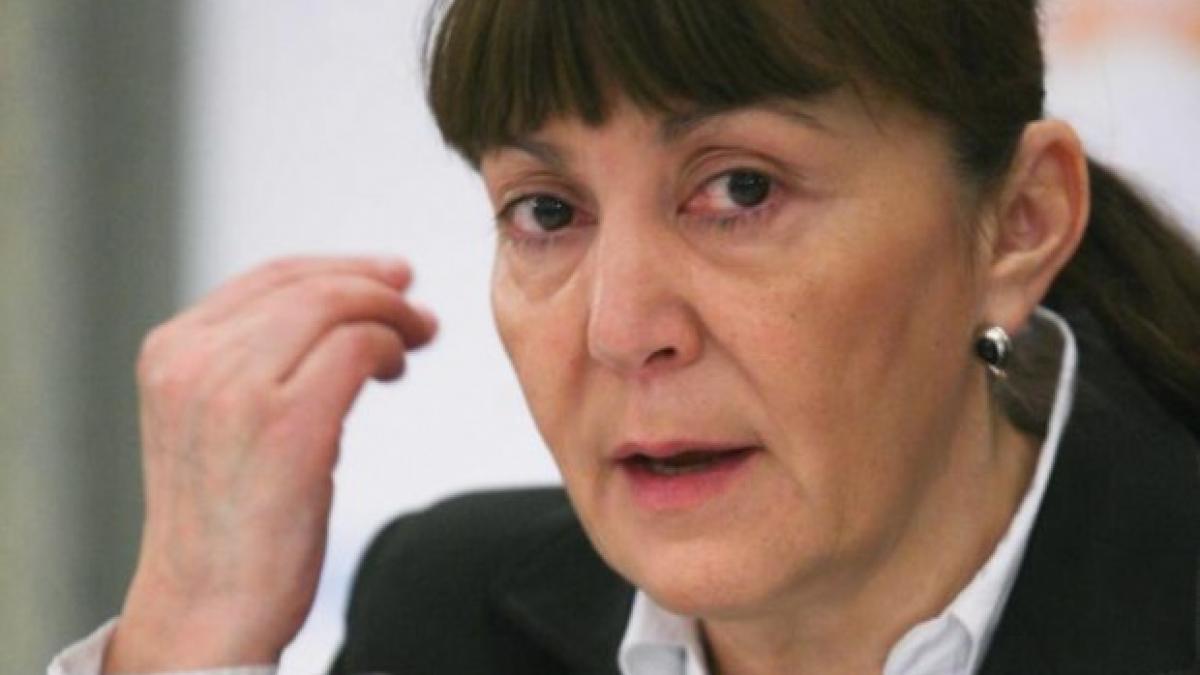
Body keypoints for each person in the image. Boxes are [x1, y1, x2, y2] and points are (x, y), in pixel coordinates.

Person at [51, 0, 1200, 673]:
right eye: (548, 212)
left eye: (741, 189)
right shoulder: (446, 617)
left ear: (1018, 224)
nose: (619, 330)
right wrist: (187, 643)